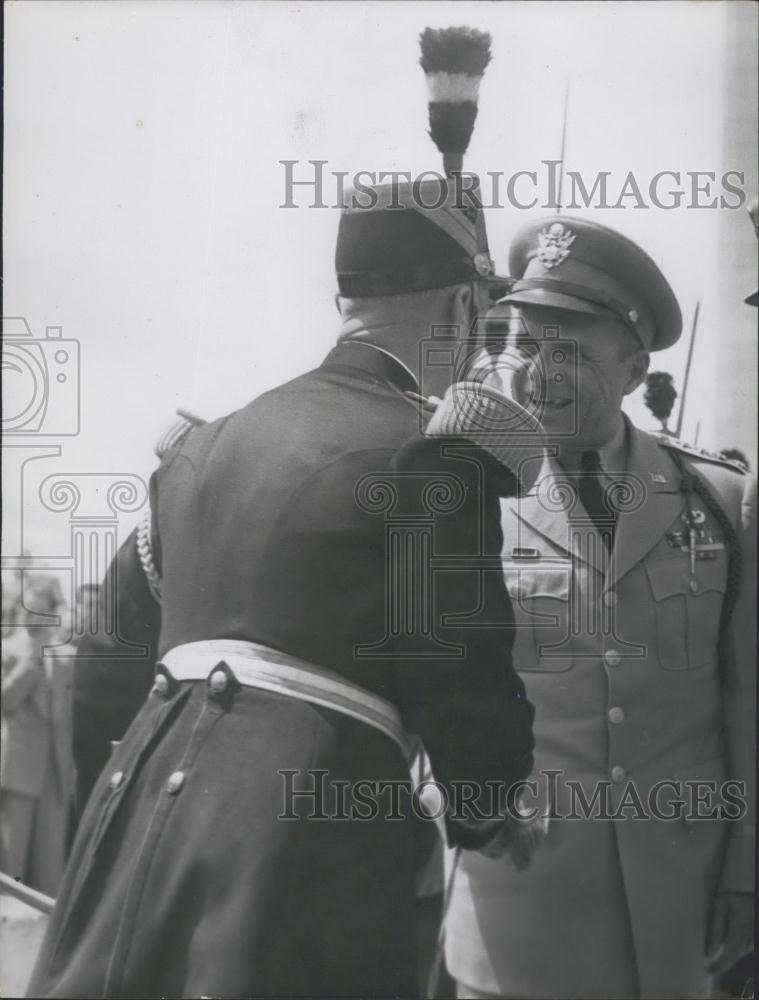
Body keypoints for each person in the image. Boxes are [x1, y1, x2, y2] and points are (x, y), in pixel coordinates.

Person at [27, 170, 545, 998]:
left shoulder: (199, 448)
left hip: (136, 830)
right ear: (457, 311)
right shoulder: (433, 456)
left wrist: (114, 813)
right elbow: (462, 678)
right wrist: (489, 806)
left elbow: (101, 663)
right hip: (303, 846)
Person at [445, 216, 756, 999]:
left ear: (631, 368)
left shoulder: (718, 499)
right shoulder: (462, 499)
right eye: (521, 344)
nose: (536, 372)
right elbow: (424, 692)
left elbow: (746, 703)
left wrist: (747, 871)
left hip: (678, 910)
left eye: (568, 351)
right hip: (522, 913)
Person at [1, 576, 76, 896]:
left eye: (41, 611)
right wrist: (32, 659)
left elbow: (68, 719)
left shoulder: (67, 657)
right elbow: (6, 702)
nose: (35, 618)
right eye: (29, 610)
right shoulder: (8, 650)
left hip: (55, 771)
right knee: (11, 860)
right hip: (18, 769)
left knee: (49, 869)